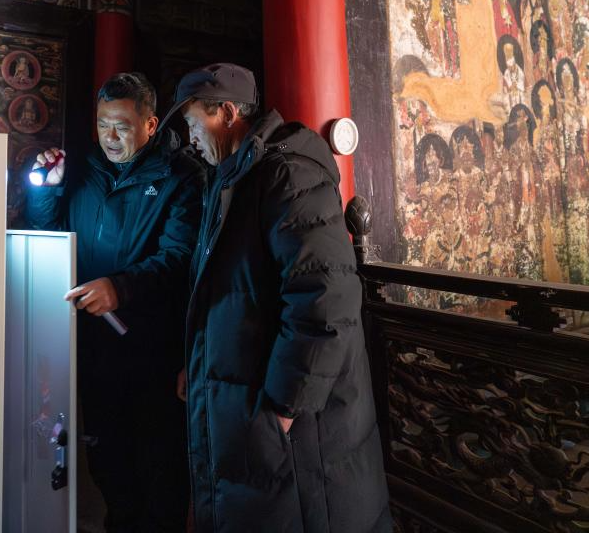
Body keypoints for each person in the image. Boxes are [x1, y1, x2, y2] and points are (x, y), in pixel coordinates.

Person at [165, 64, 390, 532]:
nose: (190, 138)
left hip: (299, 425)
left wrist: (285, 409)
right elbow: (224, 295)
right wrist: (199, 365)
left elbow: (325, 301)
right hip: (247, 400)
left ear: (227, 114)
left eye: (192, 123)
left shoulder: (288, 175)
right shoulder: (229, 178)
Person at [26, 72, 205, 533]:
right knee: (108, 464)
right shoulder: (84, 168)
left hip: (153, 349)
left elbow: (179, 257)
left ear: (150, 124)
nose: (110, 136)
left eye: (122, 126)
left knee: (158, 468)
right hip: (92, 345)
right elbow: (49, 236)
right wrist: (45, 191)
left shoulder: (182, 176)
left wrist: (120, 289)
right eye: (103, 124)